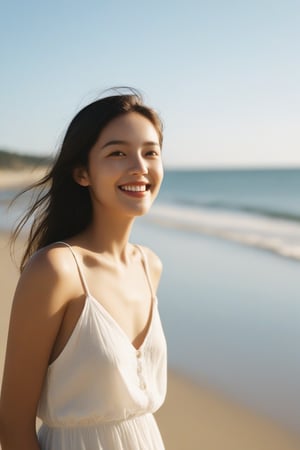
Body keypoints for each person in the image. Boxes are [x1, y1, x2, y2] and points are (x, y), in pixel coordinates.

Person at [0, 89, 167, 450]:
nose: (140, 166)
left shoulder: (149, 265)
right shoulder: (56, 271)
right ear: (82, 173)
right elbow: (13, 428)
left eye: (150, 152)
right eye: (118, 153)